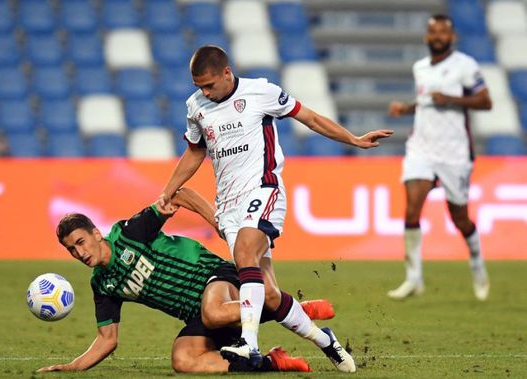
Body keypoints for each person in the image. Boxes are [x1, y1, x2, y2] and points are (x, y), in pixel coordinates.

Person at [158, 45, 393, 370]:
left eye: (209, 85)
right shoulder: (195, 107)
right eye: (199, 86)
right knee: (268, 294)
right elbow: (196, 152)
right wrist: (168, 191)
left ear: (227, 73)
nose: (205, 92)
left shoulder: (261, 92)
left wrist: (352, 139)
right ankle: (325, 340)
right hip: (228, 208)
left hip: (264, 189)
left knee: (244, 255)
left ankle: (248, 344)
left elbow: (309, 117)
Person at [36, 188, 335, 374]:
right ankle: (272, 362)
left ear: (96, 234)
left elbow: (179, 195)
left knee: (214, 310)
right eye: (71, 249)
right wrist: (71, 367)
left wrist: (216, 222)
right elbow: (107, 340)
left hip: (216, 278)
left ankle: (284, 306)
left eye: (81, 242)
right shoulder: (102, 284)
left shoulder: (130, 233)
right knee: (184, 360)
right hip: (202, 315)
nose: (79, 252)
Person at [386, 14, 492, 301]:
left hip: (455, 153)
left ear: (452, 37)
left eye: (443, 32)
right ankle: (413, 278)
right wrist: (405, 108)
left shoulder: (465, 65)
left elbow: (485, 100)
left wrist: (453, 99)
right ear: (426, 37)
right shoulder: (419, 67)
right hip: (421, 149)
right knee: (411, 211)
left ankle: (477, 264)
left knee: (459, 217)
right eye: (433, 32)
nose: (438, 36)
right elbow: (426, 102)